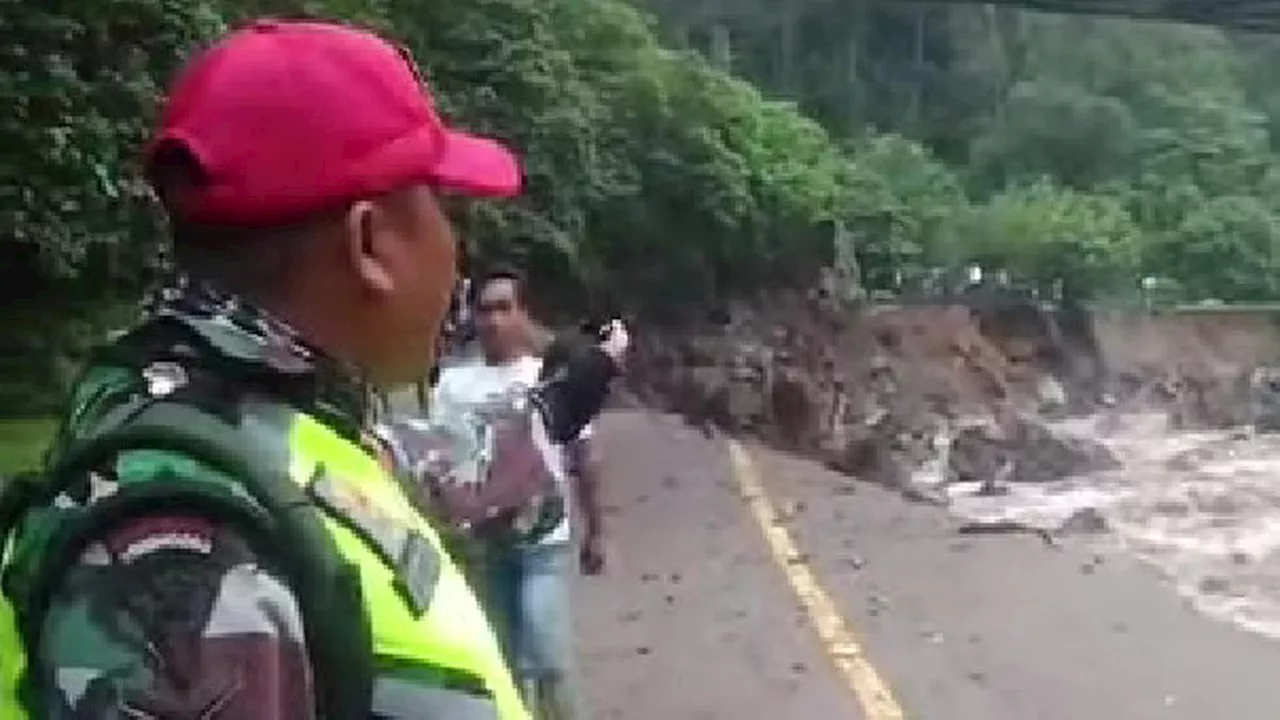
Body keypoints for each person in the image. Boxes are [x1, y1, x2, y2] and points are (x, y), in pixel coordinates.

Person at [0, 19, 546, 719]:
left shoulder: (257, 423)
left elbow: (464, 473)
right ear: (370, 241)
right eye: (440, 208)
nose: (456, 252)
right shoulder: (182, 543)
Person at [429, 266, 608, 719]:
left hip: (542, 539)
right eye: (485, 310)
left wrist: (597, 530)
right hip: (484, 545)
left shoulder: (551, 378)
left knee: (547, 658)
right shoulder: (452, 387)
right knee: (500, 663)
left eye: (504, 308)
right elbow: (439, 461)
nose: (493, 320)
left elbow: (584, 455)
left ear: (524, 314)